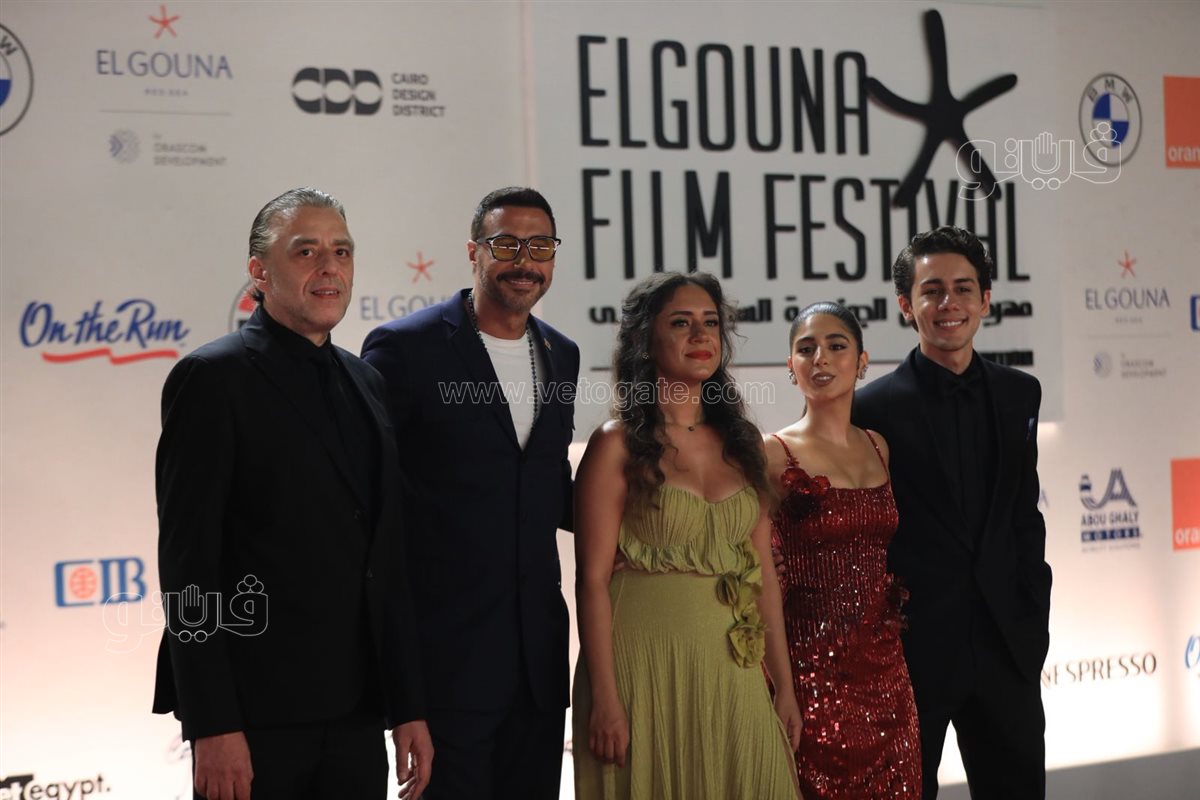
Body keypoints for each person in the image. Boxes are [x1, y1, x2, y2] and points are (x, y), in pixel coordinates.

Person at [153, 187, 432, 800]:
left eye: (341, 251)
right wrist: (212, 724)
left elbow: (386, 561)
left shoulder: (367, 382)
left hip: (358, 713)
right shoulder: (212, 378)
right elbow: (187, 565)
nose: (329, 267)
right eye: (306, 251)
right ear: (259, 272)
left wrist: (408, 704)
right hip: (254, 719)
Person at [360, 187, 579, 800]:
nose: (524, 261)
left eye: (540, 246)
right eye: (506, 244)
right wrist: (402, 691)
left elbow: (544, 485)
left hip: (537, 669)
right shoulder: (404, 348)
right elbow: (375, 508)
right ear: (474, 252)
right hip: (444, 668)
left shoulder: (562, 354)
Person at [572, 271, 802, 800]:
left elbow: (763, 577)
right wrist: (605, 698)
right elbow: (591, 581)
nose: (701, 335)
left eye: (710, 323)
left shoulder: (744, 443)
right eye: (681, 323)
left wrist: (784, 686)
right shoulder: (615, 444)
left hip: (730, 664)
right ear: (645, 339)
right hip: (640, 665)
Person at [853, 226, 1051, 799]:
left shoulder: (1020, 394)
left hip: (1007, 643)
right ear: (905, 305)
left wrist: (1032, 616)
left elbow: (1024, 516)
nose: (949, 303)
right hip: (914, 649)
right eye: (932, 290)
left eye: (963, 288)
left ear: (985, 300)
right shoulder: (869, 408)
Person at [766, 301, 921, 799]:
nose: (821, 359)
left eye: (836, 346)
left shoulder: (879, 446)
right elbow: (759, 577)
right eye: (806, 349)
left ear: (862, 361)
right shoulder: (772, 453)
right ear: (791, 366)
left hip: (887, 672)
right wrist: (783, 687)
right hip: (810, 674)